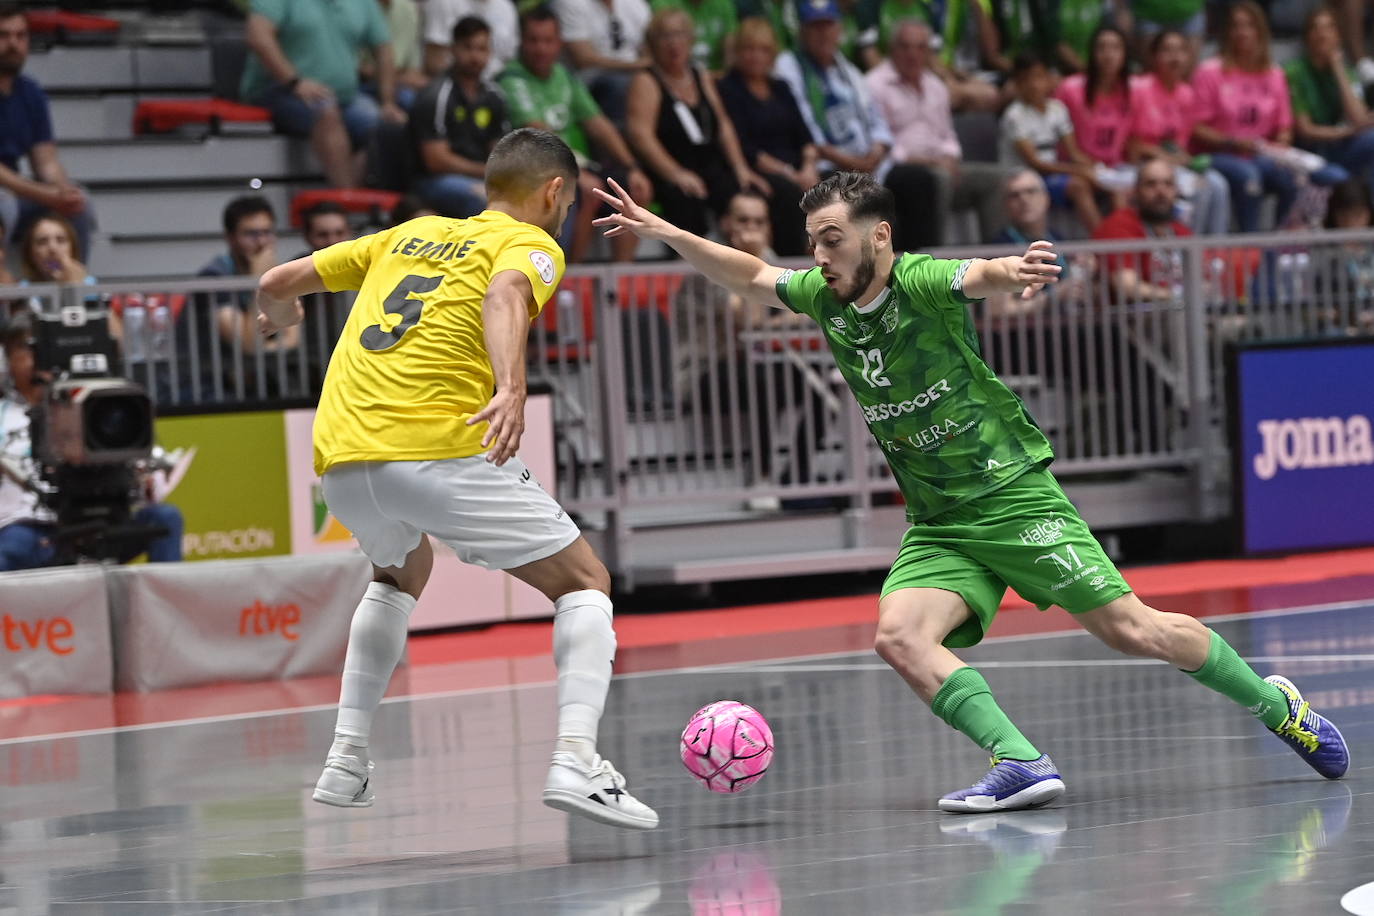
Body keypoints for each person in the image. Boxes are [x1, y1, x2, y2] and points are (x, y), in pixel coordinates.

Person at [592, 168, 1349, 811]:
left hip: (1011, 496)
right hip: (939, 522)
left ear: (878, 238)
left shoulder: (916, 282)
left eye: (832, 239)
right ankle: (1020, 760)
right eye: (813, 241)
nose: (818, 256)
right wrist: (665, 230)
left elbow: (971, 274)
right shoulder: (826, 300)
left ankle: (1276, 704)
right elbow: (752, 276)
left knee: (1135, 631)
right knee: (898, 636)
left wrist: (1009, 271)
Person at [254, 128, 658, 830]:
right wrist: (511, 384)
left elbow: (276, 282)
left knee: (397, 574)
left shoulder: (409, 233)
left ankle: (346, 759)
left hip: (345, 459)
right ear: (554, 192)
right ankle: (576, 759)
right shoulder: (530, 245)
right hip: (435, 446)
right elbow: (504, 296)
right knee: (585, 582)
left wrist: (281, 314)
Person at [0, 315, 183, 571]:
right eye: (24, 347)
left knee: (165, 517)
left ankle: (167, 606)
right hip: (32, 526)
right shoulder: (3, 415)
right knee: (8, 551)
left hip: (104, 518)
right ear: (7, 360)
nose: (34, 356)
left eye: (40, 347)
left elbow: (144, 470)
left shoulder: (96, 405)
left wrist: (145, 481)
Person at [775, 0, 940, 251]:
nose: (823, 34)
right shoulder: (791, 65)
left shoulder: (846, 68)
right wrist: (848, 161)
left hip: (868, 163)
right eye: (815, 27)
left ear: (839, 30)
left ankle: (922, 273)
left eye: (828, 27)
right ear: (803, 31)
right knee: (846, 192)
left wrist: (878, 149)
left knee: (918, 180)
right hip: (828, 164)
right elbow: (804, 123)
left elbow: (875, 118)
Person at [500, 6, 654, 263]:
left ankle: (618, 281)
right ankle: (571, 275)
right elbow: (539, 132)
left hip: (571, 162)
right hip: (531, 167)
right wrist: (574, 171)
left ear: (559, 43)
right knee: (587, 188)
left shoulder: (564, 76)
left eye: (548, 41)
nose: (541, 49)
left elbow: (598, 123)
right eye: (534, 41)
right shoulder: (512, 79)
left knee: (632, 189)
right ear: (522, 42)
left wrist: (632, 166)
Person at [1192, 1, 1348, 233]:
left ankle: (1279, 243)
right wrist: (1232, 141)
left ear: (1261, 31)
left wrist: (1282, 141)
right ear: (1227, 32)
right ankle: (1250, 245)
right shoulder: (1210, 71)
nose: (1242, 32)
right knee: (1249, 177)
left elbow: (1284, 127)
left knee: (1311, 177)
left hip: (1263, 153)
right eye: (1236, 26)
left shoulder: (1274, 74)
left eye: (1249, 26)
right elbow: (1196, 127)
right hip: (1221, 153)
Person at [625, 9, 767, 239]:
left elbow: (723, 125)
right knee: (687, 199)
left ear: (690, 40)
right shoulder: (646, 80)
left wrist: (741, 168)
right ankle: (691, 268)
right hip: (668, 169)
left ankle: (754, 260)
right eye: (665, 36)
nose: (673, 44)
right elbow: (641, 136)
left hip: (709, 165)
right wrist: (676, 173)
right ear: (653, 43)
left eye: (679, 35)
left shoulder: (700, 76)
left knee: (748, 194)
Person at [867, 20, 1010, 245]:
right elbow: (880, 140)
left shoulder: (936, 86)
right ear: (892, 49)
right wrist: (929, 162)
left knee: (997, 179)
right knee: (938, 179)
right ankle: (937, 264)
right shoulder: (874, 84)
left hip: (940, 164)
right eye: (905, 47)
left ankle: (999, 258)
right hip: (898, 172)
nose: (912, 54)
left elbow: (948, 135)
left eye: (920, 47)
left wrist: (951, 156)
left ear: (929, 53)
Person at [240, 0, 405, 188]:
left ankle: (362, 199)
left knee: (386, 126)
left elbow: (384, 48)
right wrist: (295, 81)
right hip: (279, 91)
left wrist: (388, 102)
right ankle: (346, 199)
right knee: (326, 110)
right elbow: (258, 37)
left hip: (346, 96)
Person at [0, 4, 96, 265]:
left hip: (14, 195)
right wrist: (45, 195)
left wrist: (64, 193)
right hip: (5, 196)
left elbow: (46, 162)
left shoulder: (30, 93)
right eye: (4, 36)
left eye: (21, 36)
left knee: (80, 205)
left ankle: (73, 292)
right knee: (3, 204)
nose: (14, 44)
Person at [715, 16, 819, 256]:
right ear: (737, 53)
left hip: (796, 168)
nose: (755, 56)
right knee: (787, 193)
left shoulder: (781, 87)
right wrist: (789, 173)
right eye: (749, 49)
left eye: (762, 50)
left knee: (838, 186)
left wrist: (809, 166)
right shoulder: (729, 88)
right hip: (760, 169)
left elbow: (805, 137)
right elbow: (745, 146)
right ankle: (792, 263)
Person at [1127, 28, 1231, 236]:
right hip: (1142, 163)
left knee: (1219, 184)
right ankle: (1189, 249)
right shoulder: (1139, 88)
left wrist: (1183, 159)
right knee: (1199, 189)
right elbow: (1131, 145)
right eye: (1167, 50)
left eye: (1181, 51)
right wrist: (1165, 157)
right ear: (1154, 56)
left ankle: (1216, 252)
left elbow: (1179, 145)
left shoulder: (1187, 93)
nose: (1175, 57)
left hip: (1173, 163)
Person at [411, 16, 511, 218]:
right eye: (468, 47)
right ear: (453, 49)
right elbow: (436, 161)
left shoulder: (495, 96)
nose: (475, 56)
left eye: (481, 49)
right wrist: (485, 173)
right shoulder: (437, 95)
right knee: (484, 200)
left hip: (479, 177)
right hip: (433, 180)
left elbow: (499, 150)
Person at [999, 52, 1106, 233]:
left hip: (1050, 175)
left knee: (1108, 184)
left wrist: (1096, 169)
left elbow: (1074, 154)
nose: (1034, 85)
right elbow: (1036, 164)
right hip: (1025, 178)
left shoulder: (1057, 109)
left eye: (1039, 77)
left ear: (1049, 79)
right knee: (1079, 186)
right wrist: (1080, 171)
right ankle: (1105, 245)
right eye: (1026, 79)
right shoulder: (1014, 115)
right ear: (1017, 84)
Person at [1286, 5, 1374, 191]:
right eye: (1315, 28)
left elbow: (1358, 118)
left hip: (1338, 147)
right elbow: (1305, 130)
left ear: (1339, 36)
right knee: (1341, 178)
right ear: (1307, 37)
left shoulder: (1346, 72)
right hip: (1309, 151)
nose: (1322, 34)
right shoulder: (1294, 72)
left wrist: (1337, 67)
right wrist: (1348, 132)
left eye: (1329, 27)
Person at [1054, 27, 1133, 211]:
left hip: (1115, 168)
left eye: (1115, 48)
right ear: (1092, 53)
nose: (1108, 54)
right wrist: (1090, 167)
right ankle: (1104, 237)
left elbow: (1133, 140)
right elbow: (1058, 137)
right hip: (1076, 166)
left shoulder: (1131, 92)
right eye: (1102, 48)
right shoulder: (1070, 89)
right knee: (1113, 191)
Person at [1092, 157, 1190, 302]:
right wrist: (1178, 297)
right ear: (1135, 191)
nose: (1161, 192)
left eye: (1168, 184)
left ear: (1176, 190)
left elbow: (1204, 280)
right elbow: (1127, 286)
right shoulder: (1119, 224)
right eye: (1151, 184)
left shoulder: (1181, 230)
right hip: (1130, 319)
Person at [553, 0, 652, 123]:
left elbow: (651, 45)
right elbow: (583, 59)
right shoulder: (569, 3)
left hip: (635, 73)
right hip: (589, 80)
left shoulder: (635, 4)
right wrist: (639, 65)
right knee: (623, 84)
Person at [422, 0, 519, 81]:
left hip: (496, 87)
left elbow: (509, 60)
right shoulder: (443, 3)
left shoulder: (506, 7)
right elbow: (434, 61)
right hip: (455, 87)